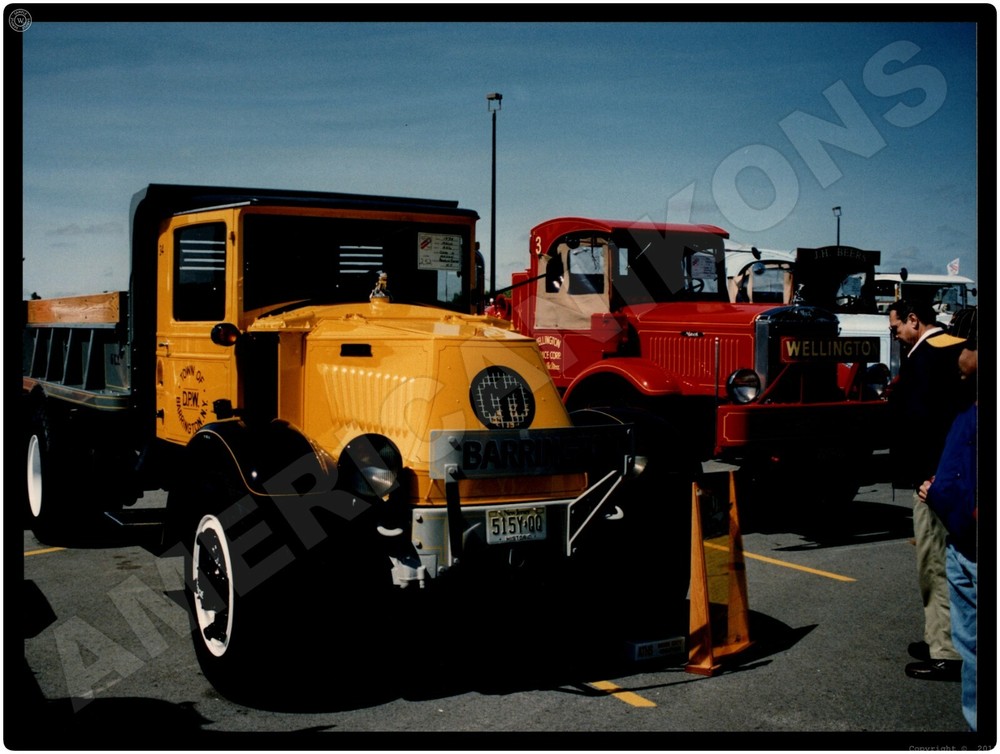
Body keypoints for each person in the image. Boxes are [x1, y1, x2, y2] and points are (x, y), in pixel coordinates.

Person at [886, 299, 967, 681]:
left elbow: (921, 426)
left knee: (935, 564)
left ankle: (946, 651)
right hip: (956, 476)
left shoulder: (923, 360)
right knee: (956, 565)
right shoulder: (956, 347)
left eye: (896, 327)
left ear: (914, 320)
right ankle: (943, 637)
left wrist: (926, 479)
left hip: (932, 481)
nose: (896, 334)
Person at [918, 309, 977, 729]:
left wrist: (937, 493)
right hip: (961, 532)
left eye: (965, 347)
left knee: (974, 645)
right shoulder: (967, 394)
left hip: (967, 531)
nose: (956, 358)